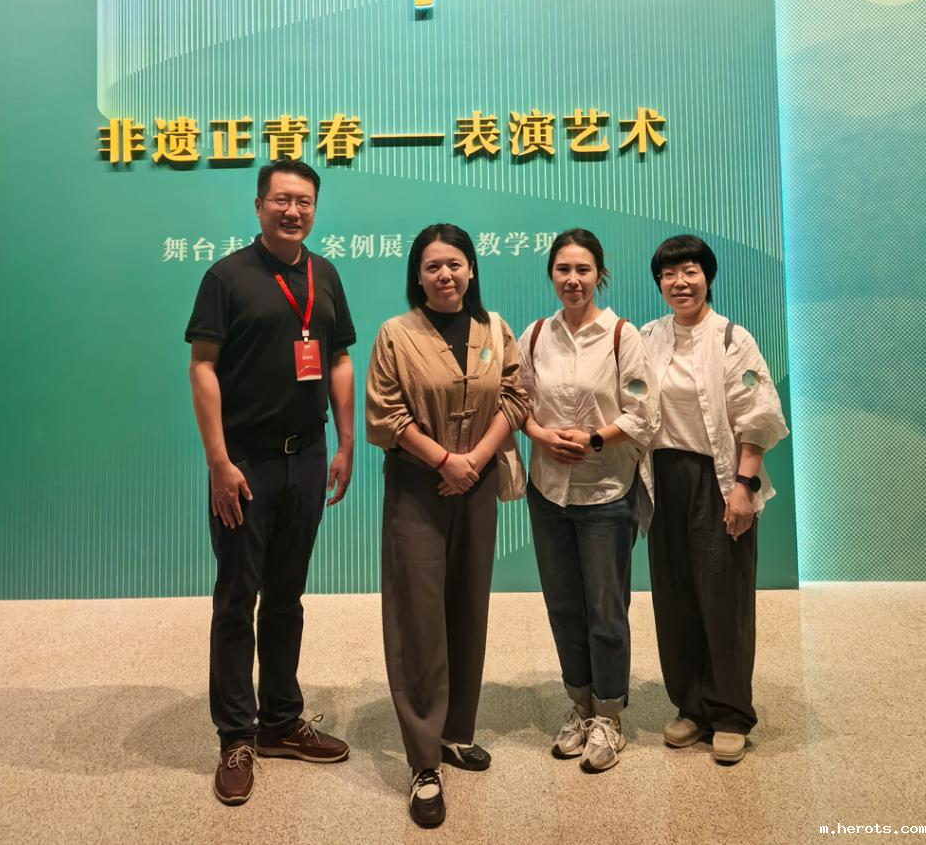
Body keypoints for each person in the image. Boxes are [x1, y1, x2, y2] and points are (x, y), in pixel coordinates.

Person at [185, 159, 356, 807]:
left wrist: (345, 442)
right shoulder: (226, 276)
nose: (293, 210)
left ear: (315, 208)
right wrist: (218, 461)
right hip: (245, 463)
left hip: (306, 457)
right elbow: (203, 367)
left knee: (287, 596)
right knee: (237, 598)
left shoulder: (325, 274)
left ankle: (281, 720)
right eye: (281, 199)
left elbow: (337, 356)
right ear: (259, 206)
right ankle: (236, 735)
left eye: (304, 201)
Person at [365, 223, 528, 828]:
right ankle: (423, 758)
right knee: (418, 616)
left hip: (476, 484)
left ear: (471, 269)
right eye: (433, 266)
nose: (445, 275)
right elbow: (385, 415)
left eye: (455, 263)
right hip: (419, 487)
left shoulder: (494, 329)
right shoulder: (395, 334)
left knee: (467, 605)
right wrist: (444, 461)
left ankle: (457, 730)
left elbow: (516, 397)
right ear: (417, 274)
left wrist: (474, 462)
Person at [641, 234, 789, 765]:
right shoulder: (648, 337)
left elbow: (758, 416)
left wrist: (743, 487)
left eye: (690, 272)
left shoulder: (731, 338)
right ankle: (691, 707)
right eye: (668, 274)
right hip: (664, 478)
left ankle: (730, 713)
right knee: (675, 597)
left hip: (718, 478)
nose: (679, 282)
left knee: (723, 596)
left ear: (708, 277)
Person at [518, 228, 659, 774]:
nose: (573, 280)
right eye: (563, 269)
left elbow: (643, 412)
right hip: (548, 491)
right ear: (551, 275)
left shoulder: (623, 336)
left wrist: (596, 438)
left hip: (605, 492)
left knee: (606, 610)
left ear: (600, 274)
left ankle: (609, 714)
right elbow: (518, 401)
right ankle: (579, 706)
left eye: (583, 270)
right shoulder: (535, 335)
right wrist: (539, 434)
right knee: (562, 605)